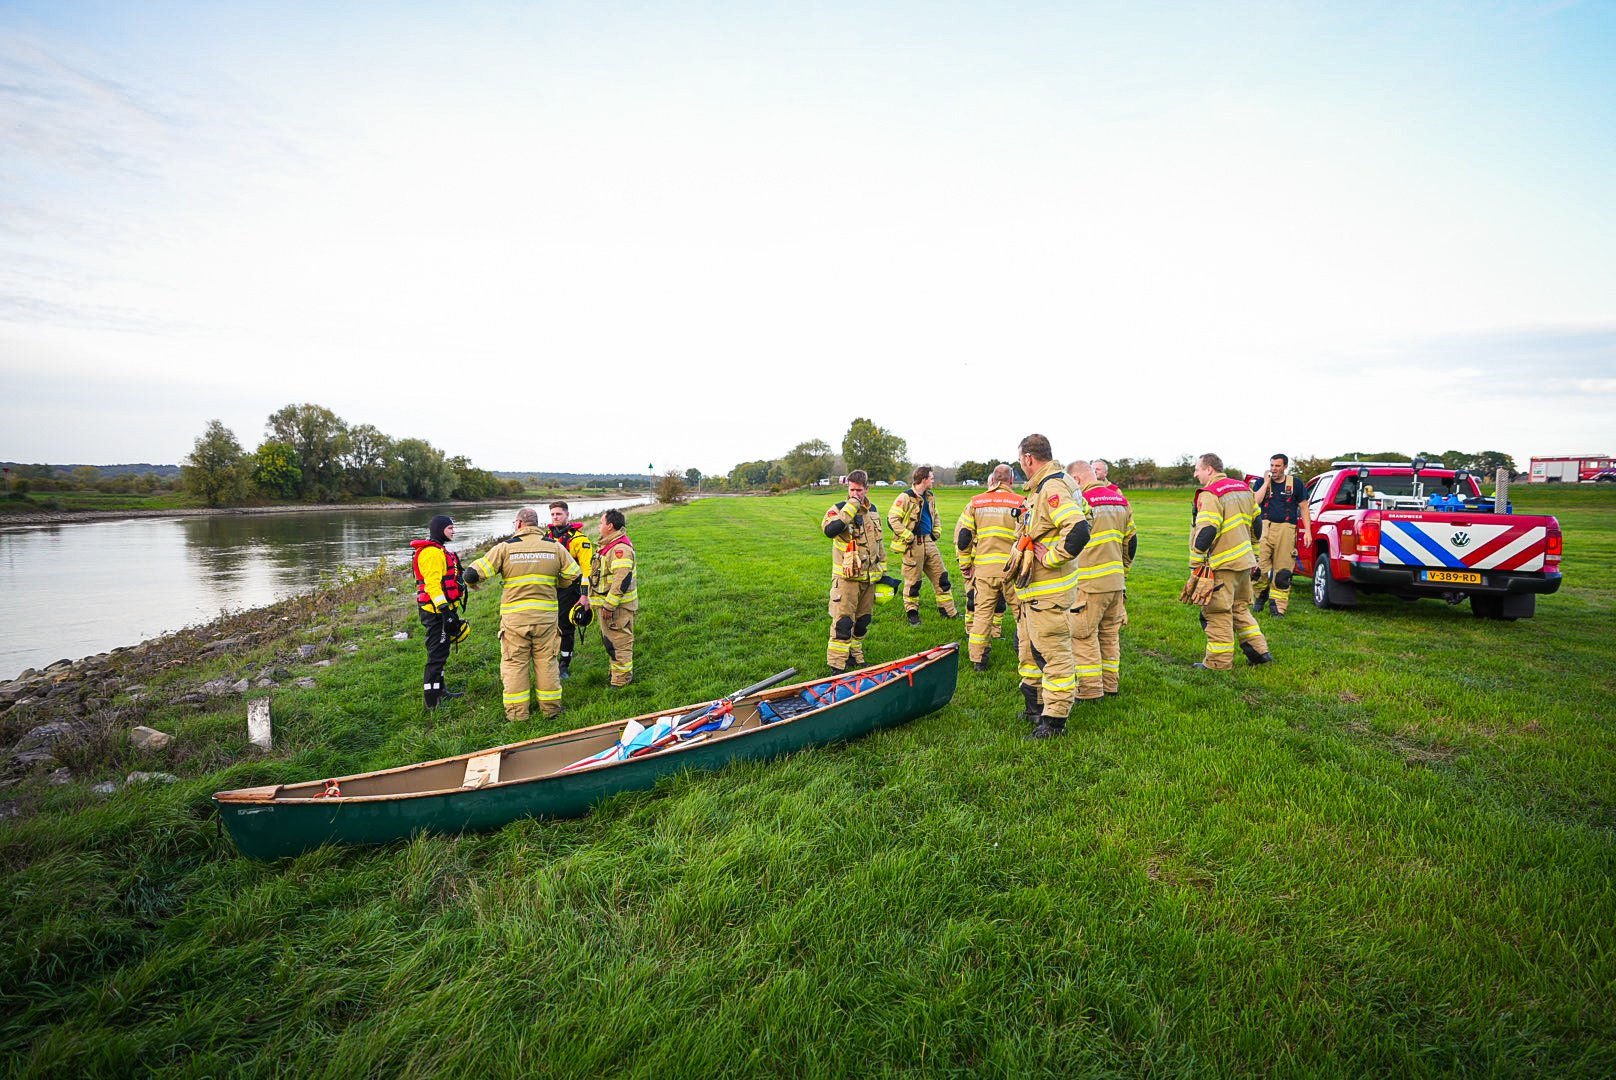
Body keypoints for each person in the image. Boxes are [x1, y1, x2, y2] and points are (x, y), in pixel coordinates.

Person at [463, 507, 581, 720]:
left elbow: (471, 573)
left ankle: (517, 715)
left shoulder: (505, 548)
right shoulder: (555, 547)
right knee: (547, 662)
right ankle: (551, 710)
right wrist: (557, 584)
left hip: (515, 620)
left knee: (514, 663)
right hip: (545, 618)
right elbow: (574, 574)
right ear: (536, 525)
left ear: (518, 524)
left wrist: (474, 585)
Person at [1009, 435, 1089, 739]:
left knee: (1054, 655)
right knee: (1029, 652)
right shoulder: (1049, 486)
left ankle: (1055, 722)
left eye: (1021, 460)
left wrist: (1054, 557)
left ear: (1029, 458)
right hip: (1034, 593)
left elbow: (1079, 529)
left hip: (1048, 592)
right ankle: (1035, 709)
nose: (1021, 465)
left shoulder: (1053, 488)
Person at [1187, 454, 1272, 670]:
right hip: (1244, 562)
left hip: (1222, 565)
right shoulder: (1243, 488)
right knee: (1240, 608)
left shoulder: (1211, 494)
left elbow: (1208, 530)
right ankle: (1260, 653)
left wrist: (1196, 563)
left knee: (1217, 612)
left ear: (1209, 470)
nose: (1195, 474)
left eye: (1198, 469)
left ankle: (1218, 662)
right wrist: (1253, 554)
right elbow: (1257, 523)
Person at [1067, 460, 1136, 698]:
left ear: (1076, 480)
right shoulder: (1120, 499)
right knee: (1109, 635)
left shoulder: (1080, 501)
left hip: (1088, 582)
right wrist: (1123, 571)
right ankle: (1110, 685)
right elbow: (1131, 542)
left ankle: (1089, 690)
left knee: (1083, 636)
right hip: (1115, 581)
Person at [955, 463, 1024, 671]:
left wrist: (966, 564)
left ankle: (978, 661)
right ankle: (1023, 652)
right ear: (1011, 480)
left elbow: (964, 537)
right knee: (1022, 613)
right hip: (1012, 571)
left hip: (984, 570)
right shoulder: (1021, 503)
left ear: (993, 480)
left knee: (982, 615)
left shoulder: (976, 502)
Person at [822, 470, 886, 672]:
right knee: (843, 623)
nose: (855, 494)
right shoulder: (839, 509)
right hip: (846, 579)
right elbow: (829, 531)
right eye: (852, 490)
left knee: (862, 621)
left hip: (868, 579)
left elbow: (879, 543)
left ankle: (856, 658)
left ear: (867, 489)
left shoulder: (873, 510)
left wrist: (882, 571)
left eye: (859, 490)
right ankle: (837, 665)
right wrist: (851, 507)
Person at [887, 465, 958, 626]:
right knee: (913, 582)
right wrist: (907, 536)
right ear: (924, 479)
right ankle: (912, 613)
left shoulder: (930, 497)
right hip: (913, 545)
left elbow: (936, 516)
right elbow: (892, 519)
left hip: (929, 542)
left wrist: (936, 532)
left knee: (942, 579)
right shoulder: (905, 497)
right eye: (931, 478)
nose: (933, 480)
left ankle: (948, 612)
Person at [409, 514, 466, 709]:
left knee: (442, 651)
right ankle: (431, 702)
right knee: (436, 656)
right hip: (435, 612)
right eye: (450, 528)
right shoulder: (432, 553)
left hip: (443, 610)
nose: (453, 531)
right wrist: (444, 611)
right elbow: (433, 585)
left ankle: (441, 690)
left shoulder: (440, 551)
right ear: (440, 529)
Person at [1251, 454, 1312, 617]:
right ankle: (1260, 595)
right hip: (1264, 529)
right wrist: (1266, 482)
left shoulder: (1296, 484)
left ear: (1285, 467)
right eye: (1271, 465)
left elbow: (1304, 507)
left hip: (1287, 530)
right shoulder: (1261, 482)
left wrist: (1308, 531)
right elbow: (1256, 501)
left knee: (1283, 571)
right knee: (1259, 569)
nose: (1273, 469)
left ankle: (1278, 607)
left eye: (1277, 466)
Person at [545, 501, 595, 676]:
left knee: (566, 627)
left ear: (567, 515)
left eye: (558, 514)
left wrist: (584, 596)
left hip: (570, 590)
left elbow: (586, 572)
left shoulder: (579, 540)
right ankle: (547, 661)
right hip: (548, 590)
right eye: (552, 514)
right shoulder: (546, 537)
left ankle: (564, 664)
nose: (555, 517)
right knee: (546, 626)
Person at [591, 508, 638, 688]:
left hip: (617, 607)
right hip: (611, 606)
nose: (598, 525)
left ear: (610, 526)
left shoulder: (619, 549)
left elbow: (621, 579)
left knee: (619, 643)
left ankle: (621, 680)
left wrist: (609, 606)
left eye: (601, 523)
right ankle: (617, 673)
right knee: (611, 642)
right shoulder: (609, 545)